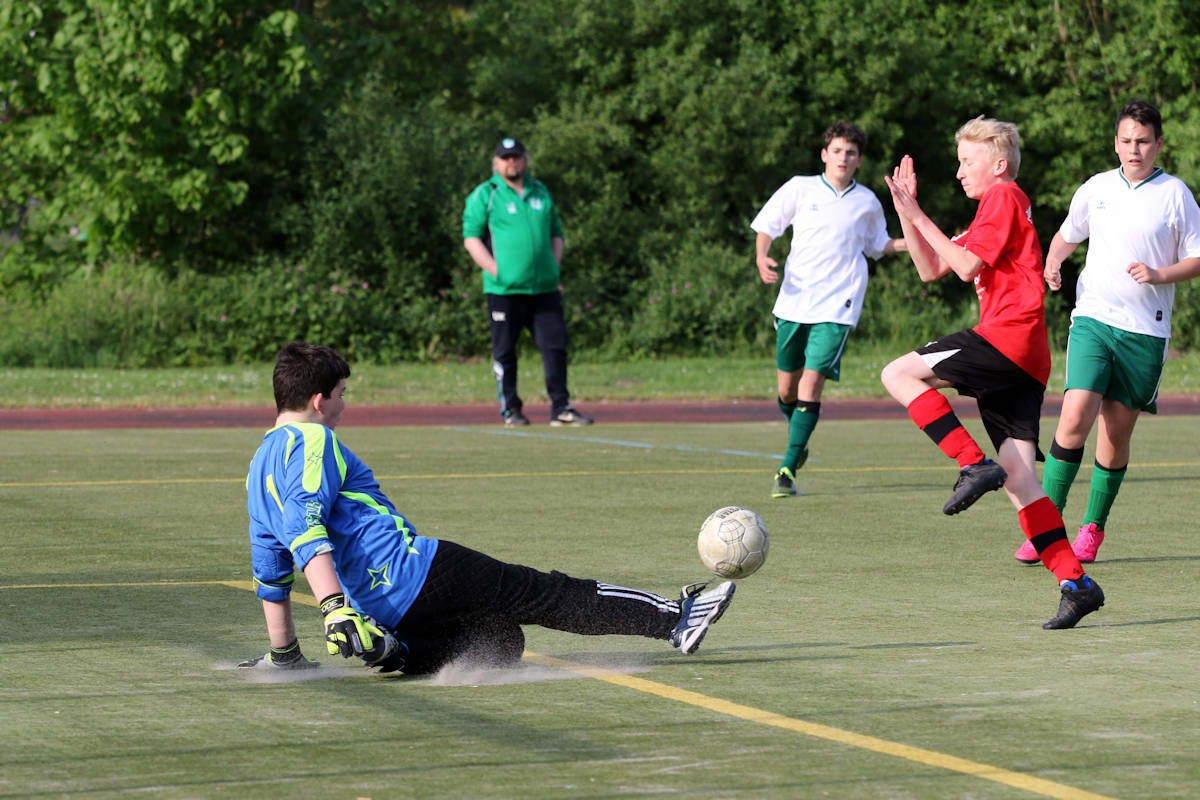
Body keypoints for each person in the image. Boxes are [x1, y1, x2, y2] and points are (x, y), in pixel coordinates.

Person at [238, 343, 735, 674]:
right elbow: (306, 527)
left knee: (499, 642)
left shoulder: (258, 466)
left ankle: (397, 650)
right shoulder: (312, 440)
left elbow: (271, 569)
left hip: (380, 610)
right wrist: (333, 609)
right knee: (541, 592)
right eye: (343, 395)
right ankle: (676, 617)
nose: (345, 404)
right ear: (319, 401)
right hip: (413, 570)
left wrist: (284, 654)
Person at [879, 116, 1104, 629]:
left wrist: (917, 211)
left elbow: (963, 267)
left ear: (998, 165)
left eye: (966, 161)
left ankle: (970, 462)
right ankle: (1075, 582)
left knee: (898, 374)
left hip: (1006, 338)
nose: (959, 172)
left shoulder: (1003, 197)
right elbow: (931, 268)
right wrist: (906, 215)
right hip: (1026, 359)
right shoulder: (992, 212)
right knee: (1022, 481)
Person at [1015, 99, 1200, 566]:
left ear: (1159, 144)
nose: (1133, 149)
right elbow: (1066, 235)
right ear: (1115, 142)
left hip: (1144, 333)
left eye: (1143, 141)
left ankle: (1093, 529)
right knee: (1075, 413)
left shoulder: (1176, 194)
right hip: (1093, 319)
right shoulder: (1096, 188)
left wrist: (1159, 275)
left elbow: (1198, 257)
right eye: (1126, 140)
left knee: (1114, 436)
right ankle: (1046, 525)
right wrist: (1053, 261)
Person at [750, 121, 905, 499]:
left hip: (839, 304)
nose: (843, 157)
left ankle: (786, 468)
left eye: (850, 153)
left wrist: (919, 241)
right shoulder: (800, 188)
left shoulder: (867, 201)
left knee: (811, 382)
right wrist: (762, 256)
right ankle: (798, 444)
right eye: (837, 150)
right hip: (793, 301)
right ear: (824, 154)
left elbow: (878, 244)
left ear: (859, 161)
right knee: (787, 390)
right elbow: (768, 226)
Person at [462, 137, 592, 427]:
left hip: (543, 288)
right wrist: (496, 270)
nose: (512, 162)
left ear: (525, 159)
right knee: (506, 351)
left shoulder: (540, 191)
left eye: (517, 157)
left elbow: (556, 233)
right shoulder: (487, 193)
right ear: (497, 162)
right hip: (505, 290)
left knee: (554, 346)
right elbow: (471, 237)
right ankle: (512, 409)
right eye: (506, 158)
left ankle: (561, 408)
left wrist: (554, 267)